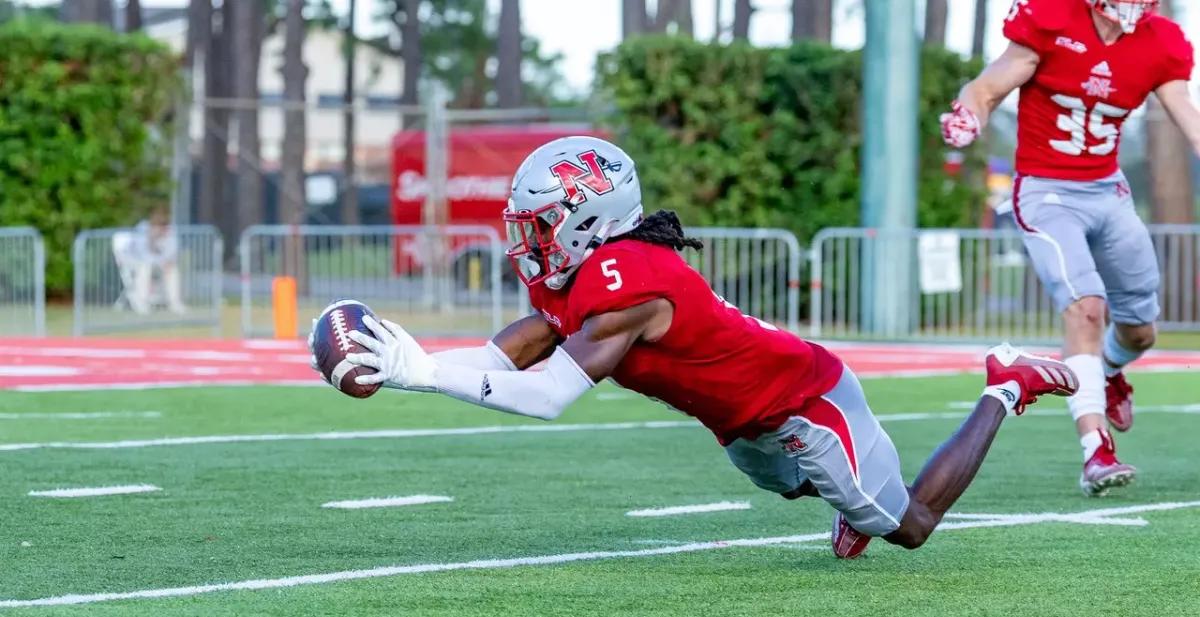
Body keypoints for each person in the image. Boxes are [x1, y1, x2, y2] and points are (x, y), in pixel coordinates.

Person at [312, 137, 1079, 559]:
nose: (528, 237)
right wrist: (418, 364)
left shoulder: (630, 277)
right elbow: (511, 354)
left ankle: (1004, 385)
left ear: (588, 219)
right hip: (742, 420)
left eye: (540, 221)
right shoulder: (584, 272)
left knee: (906, 527)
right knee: (783, 484)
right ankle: (844, 498)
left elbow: (548, 395)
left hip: (804, 400)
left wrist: (425, 373)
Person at [940, 0, 1200, 496]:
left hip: (1109, 192)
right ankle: (1095, 452)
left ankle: (1107, 371)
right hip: (1045, 191)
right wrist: (968, 113)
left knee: (1141, 332)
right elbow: (988, 86)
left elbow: (1188, 114)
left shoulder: (1159, 40)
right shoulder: (1052, 17)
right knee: (1085, 310)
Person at [114, 205, 187, 315]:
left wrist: (165, 261)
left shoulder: (170, 231)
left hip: (157, 263)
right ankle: (142, 302)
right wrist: (152, 240)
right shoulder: (143, 229)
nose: (162, 227)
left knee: (172, 269)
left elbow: (172, 251)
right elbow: (141, 253)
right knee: (144, 268)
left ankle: (175, 302)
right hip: (136, 262)